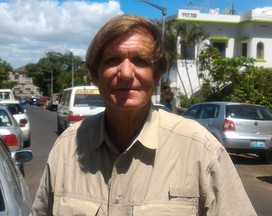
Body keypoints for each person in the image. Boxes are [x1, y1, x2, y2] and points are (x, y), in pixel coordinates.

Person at [30, 14, 256, 215]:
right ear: (95, 75)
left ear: (156, 76)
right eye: (112, 60)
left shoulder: (200, 149)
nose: (126, 73)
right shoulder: (67, 147)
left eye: (140, 61)